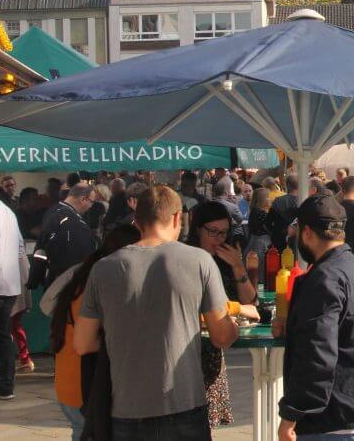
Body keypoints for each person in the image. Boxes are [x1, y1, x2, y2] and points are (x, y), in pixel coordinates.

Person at [74, 186, 239, 440]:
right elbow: (222, 336)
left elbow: (83, 343)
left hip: (127, 409)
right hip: (184, 404)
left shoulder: (103, 269)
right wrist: (234, 325)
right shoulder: (199, 261)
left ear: (136, 221)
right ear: (177, 218)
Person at [271, 195, 354, 441]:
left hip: (335, 416)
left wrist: (291, 415)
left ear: (307, 233)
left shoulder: (325, 278)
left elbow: (317, 353)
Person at [45, 224, 141, 440]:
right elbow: (86, 343)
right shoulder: (101, 280)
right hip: (84, 385)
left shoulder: (86, 271)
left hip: (69, 379)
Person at [186, 201, 259, 428]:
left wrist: (238, 267)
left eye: (224, 233)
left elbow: (251, 302)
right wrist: (236, 308)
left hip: (214, 352)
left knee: (206, 425)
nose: (219, 238)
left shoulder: (226, 258)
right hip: (189, 350)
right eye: (213, 232)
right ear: (197, 229)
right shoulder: (187, 257)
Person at [0, 187, 24, 401]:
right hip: (9, 283)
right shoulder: (8, 212)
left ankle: (5, 384)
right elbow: (20, 247)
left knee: (3, 336)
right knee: (3, 337)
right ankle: (6, 385)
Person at [38, 184, 99, 289]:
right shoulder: (67, 218)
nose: (91, 206)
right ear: (83, 199)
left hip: (61, 278)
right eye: (91, 202)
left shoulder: (55, 211)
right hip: (66, 282)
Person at [245, 187, 273, 269]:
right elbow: (270, 228)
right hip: (262, 243)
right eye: (269, 197)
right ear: (264, 200)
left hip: (253, 241)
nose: (271, 199)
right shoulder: (262, 214)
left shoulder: (254, 210)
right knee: (260, 268)